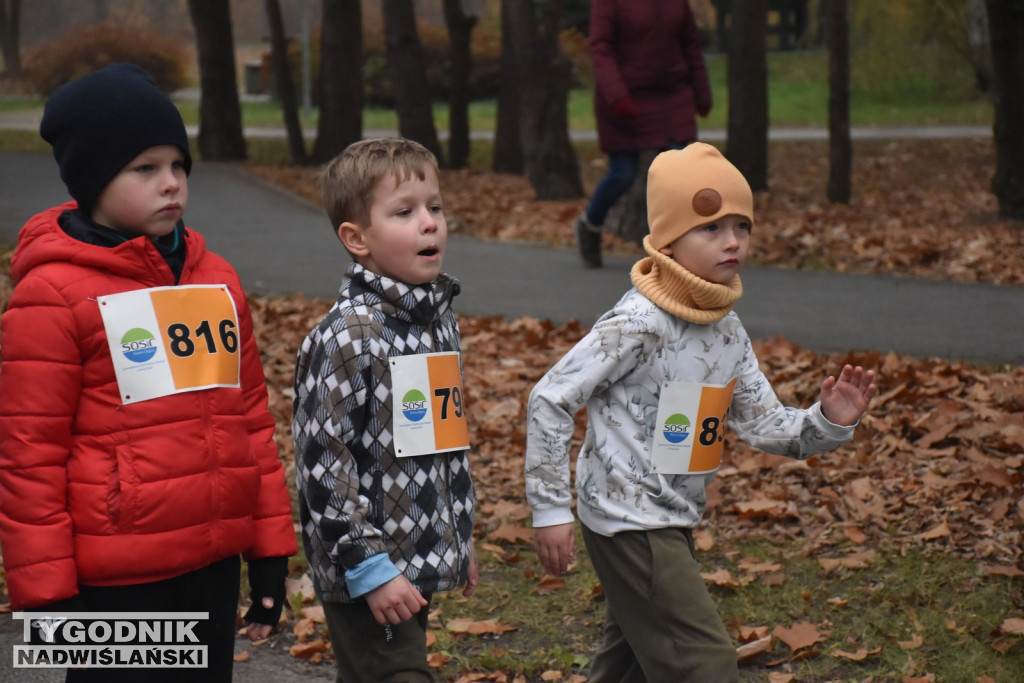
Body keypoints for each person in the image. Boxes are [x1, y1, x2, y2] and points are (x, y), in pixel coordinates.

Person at [526, 143, 876, 681]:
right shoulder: (637, 324)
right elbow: (552, 397)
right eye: (710, 228)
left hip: (674, 515)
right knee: (703, 664)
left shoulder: (726, 330)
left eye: (742, 225)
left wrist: (829, 420)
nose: (732, 240)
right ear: (667, 240)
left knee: (629, 665)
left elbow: (764, 423)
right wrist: (550, 508)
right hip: (630, 520)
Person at [0, 64, 297, 682]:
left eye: (178, 166)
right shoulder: (52, 295)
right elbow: (29, 455)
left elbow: (249, 422)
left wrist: (269, 549)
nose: (171, 184)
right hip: (114, 575)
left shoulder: (216, 279)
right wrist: (46, 594)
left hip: (210, 564)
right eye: (145, 169)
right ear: (93, 180)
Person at [293, 137, 478, 683]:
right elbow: (322, 467)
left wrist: (456, 535)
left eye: (435, 207)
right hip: (366, 569)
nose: (429, 223)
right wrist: (368, 567)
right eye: (405, 212)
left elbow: (445, 440)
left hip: (417, 556)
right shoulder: (348, 335)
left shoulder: (437, 322)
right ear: (357, 239)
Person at [576, 0, 714, 268]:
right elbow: (601, 48)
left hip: (673, 93)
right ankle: (590, 224)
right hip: (625, 95)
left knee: (677, 175)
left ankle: (674, 248)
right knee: (622, 173)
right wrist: (617, 95)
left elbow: (689, 43)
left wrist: (701, 89)